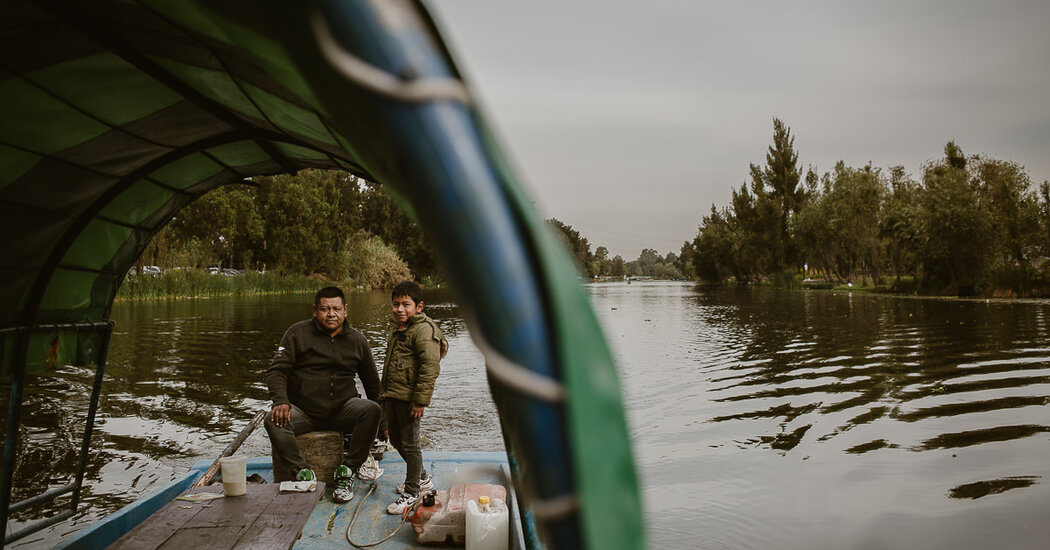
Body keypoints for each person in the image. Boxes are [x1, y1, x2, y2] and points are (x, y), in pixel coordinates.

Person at [265, 286, 381, 504]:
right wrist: (281, 401)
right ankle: (303, 473)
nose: (331, 314)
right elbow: (276, 371)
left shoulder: (357, 340)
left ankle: (347, 471)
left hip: (342, 410)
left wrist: (383, 423)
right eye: (325, 309)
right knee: (273, 420)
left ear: (346, 310)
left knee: (372, 410)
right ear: (314, 311)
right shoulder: (297, 334)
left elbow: (373, 384)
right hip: (304, 411)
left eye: (336, 309)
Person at [380, 280, 447, 514]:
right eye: (396, 304)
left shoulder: (424, 329)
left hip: (410, 400)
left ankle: (411, 492)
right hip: (394, 396)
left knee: (410, 444)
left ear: (419, 306)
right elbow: (389, 366)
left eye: (405, 305)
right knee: (397, 441)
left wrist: (420, 401)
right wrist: (383, 397)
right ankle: (423, 479)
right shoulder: (400, 328)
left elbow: (430, 367)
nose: (399, 309)